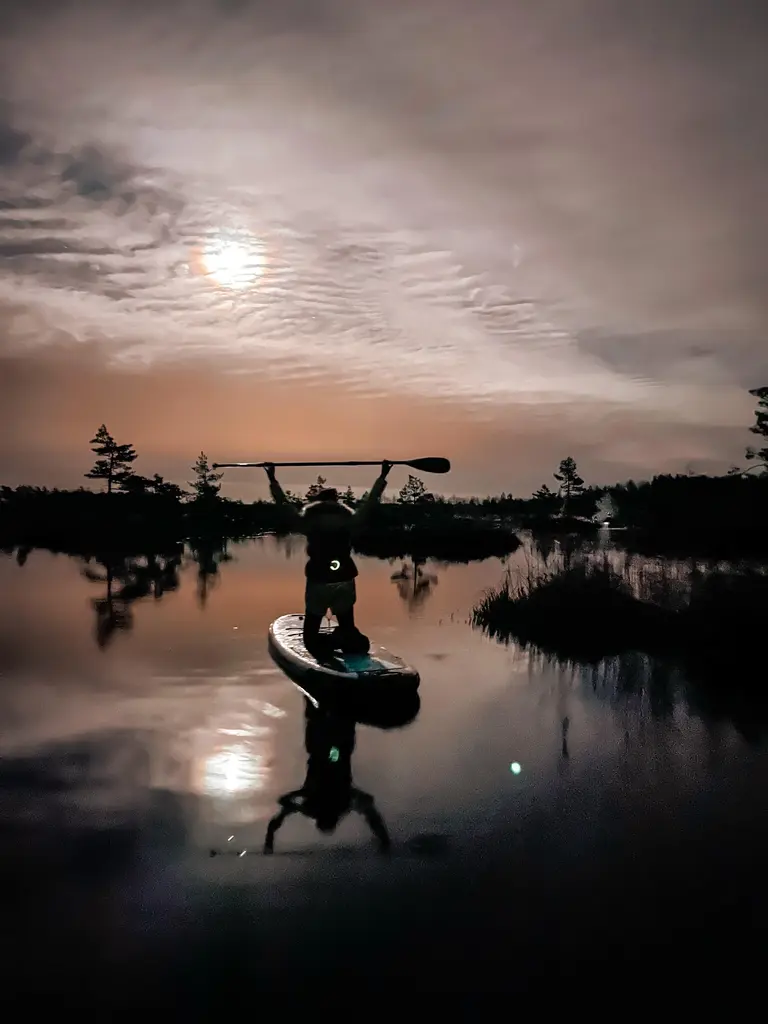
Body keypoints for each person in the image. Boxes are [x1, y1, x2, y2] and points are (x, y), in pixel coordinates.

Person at [264, 460, 393, 658]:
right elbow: (371, 503)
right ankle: (344, 638)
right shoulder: (350, 520)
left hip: (319, 579)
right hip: (345, 577)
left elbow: (283, 505)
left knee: (310, 637)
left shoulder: (307, 521)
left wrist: (272, 480)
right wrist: (382, 477)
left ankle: (331, 643)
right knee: (347, 625)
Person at [263, 700, 390, 854]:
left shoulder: (312, 805)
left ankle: (316, 699)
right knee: (336, 747)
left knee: (323, 732)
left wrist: (269, 844)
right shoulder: (342, 803)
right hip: (336, 752)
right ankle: (341, 704)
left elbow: (278, 814)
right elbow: (370, 806)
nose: (327, 813)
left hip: (321, 751)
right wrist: (384, 840)